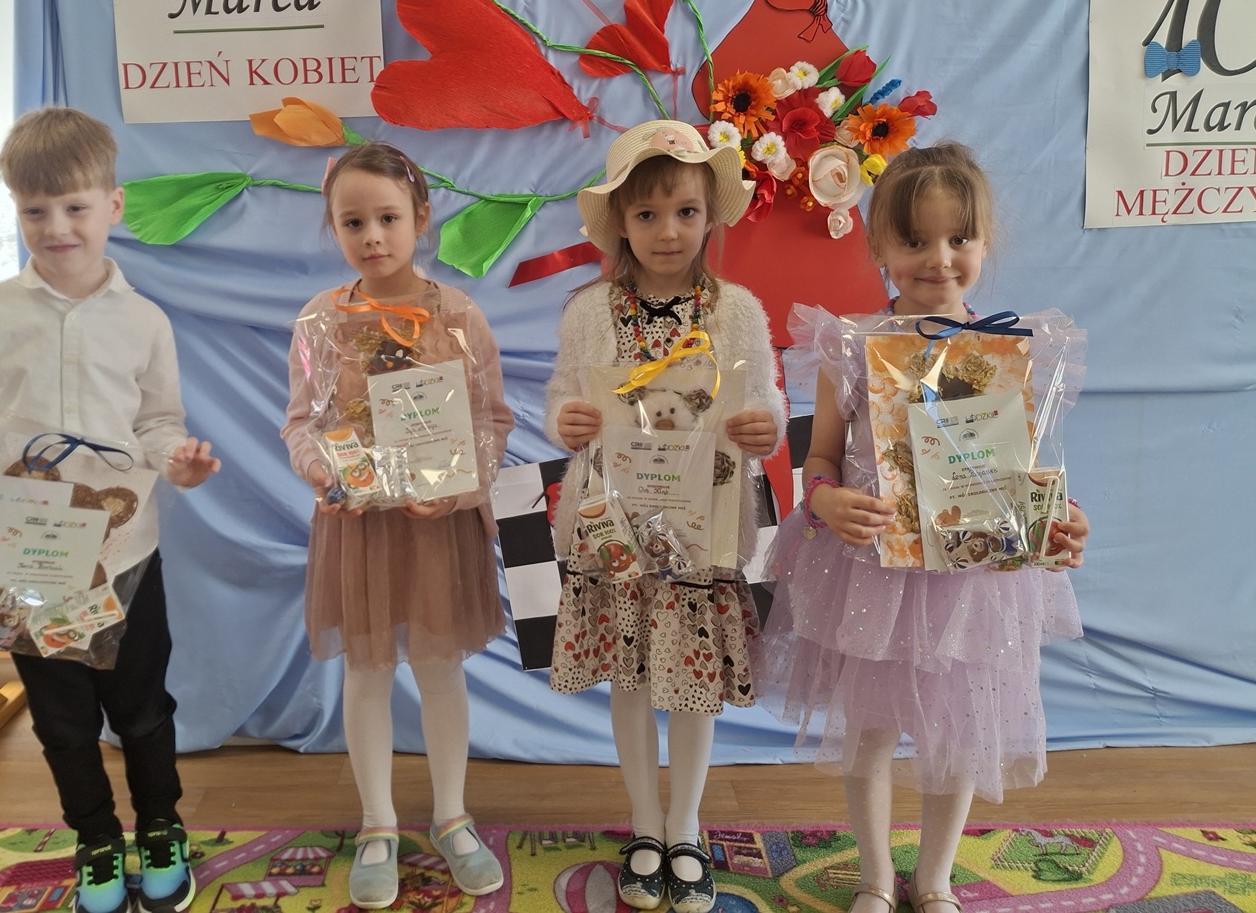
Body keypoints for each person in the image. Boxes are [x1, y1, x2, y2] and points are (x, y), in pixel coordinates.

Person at [759, 143, 1090, 913]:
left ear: (984, 242)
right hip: (874, 572)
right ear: (879, 245)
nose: (939, 258)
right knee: (870, 728)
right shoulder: (852, 345)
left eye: (957, 238)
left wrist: (1061, 519)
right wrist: (825, 500)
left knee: (959, 727)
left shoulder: (1007, 350)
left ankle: (935, 876)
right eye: (915, 239)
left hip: (972, 580)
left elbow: (1023, 469)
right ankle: (876, 875)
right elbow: (818, 458)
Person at [0, 106, 219, 913]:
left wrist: (180, 460)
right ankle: (95, 837)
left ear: (113, 205)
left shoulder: (145, 320)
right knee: (60, 717)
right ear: (15, 209)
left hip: (124, 550)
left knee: (142, 707)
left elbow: (158, 422)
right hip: (25, 554)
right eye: (35, 209)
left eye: (74, 206)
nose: (56, 226)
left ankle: (161, 825)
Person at [544, 121, 787, 913]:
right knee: (630, 677)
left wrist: (765, 427)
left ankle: (685, 825)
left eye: (685, 211)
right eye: (647, 214)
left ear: (709, 215)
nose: (668, 230)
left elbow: (767, 401)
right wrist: (567, 421)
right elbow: (563, 397)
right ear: (620, 221)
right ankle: (644, 822)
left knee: (690, 683)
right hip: (614, 526)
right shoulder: (589, 311)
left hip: (701, 525)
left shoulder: (737, 310)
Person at [281, 142, 514, 909]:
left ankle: (452, 815)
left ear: (421, 217)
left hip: (437, 525)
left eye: (387, 217)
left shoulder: (459, 315)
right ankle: (377, 822)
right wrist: (323, 471)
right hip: (361, 528)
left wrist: (455, 487)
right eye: (353, 222)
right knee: (368, 670)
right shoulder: (321, 320)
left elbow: (491, 421)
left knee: (441, 665)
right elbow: (302, 422)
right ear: (333, 227)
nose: (372, 235)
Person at [688, 0, 949, 343]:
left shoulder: (813, 16)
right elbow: (707, 89)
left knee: (842, 341)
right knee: (754, 335)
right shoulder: (767, 21)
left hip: (821, 213)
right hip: (765, 218)